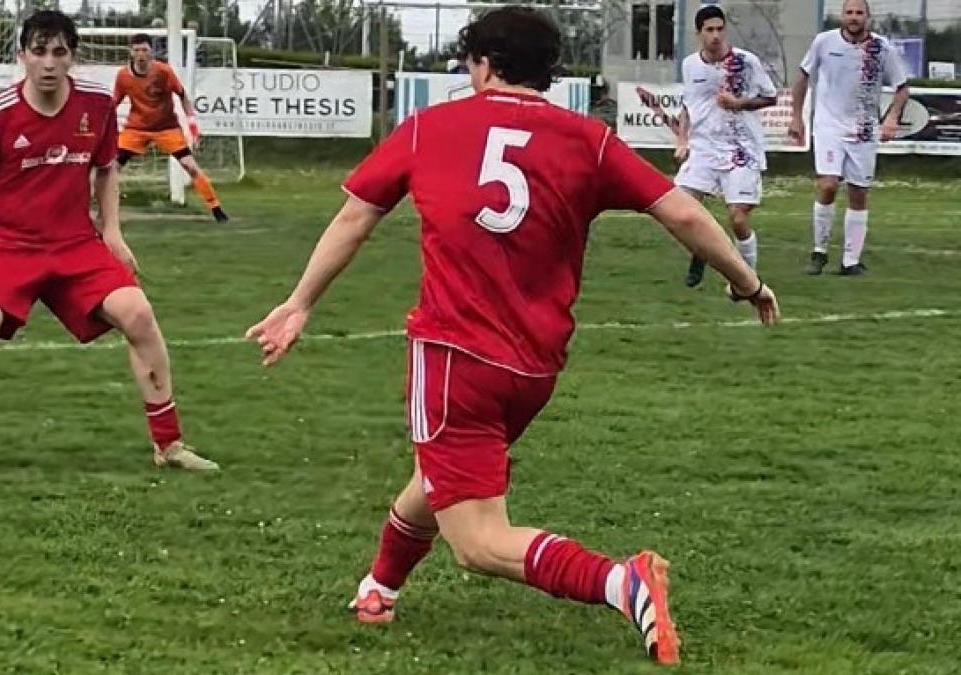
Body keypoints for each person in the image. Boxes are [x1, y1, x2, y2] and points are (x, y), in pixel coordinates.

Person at [245, 7, 780, 667]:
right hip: (533, 370)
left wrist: (299, 302)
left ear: (482, 64)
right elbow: (683, 212)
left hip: (455, 357)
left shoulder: (429, 129)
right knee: (435, 480)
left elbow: (357, 215)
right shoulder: (591, 140)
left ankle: (622, 580)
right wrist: (749, 283)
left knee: (475, 538)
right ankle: (380, 587)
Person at [0, 10, 218, 473]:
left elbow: (106, 169)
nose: (49, 62)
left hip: (74, 244)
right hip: (7, 244)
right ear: (21, 56)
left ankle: (169, 446)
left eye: (59, 52)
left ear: (73, 58)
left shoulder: (97, 106)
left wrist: (112, 233)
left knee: (138, 313)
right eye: (39, 52)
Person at [789, 0, 908, 276]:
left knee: (858, 193)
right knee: (829, 185)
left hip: (864, 130)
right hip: (829, 126)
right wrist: (796, 117)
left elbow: (902, 88)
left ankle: (850, 261)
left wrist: (891, 118)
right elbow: (802, 78)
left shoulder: (881, 48)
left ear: (868, 17)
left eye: (859, 13)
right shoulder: (824, 42)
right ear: (842, 16)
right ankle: (819, 252)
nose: (854, 18)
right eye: (849, 13)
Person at [675, 4, 777, 288]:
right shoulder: (690, 65)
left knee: (738, 219)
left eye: (720, 29)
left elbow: (771, 98)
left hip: (740, 149)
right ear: (699, 34)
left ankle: (746, 280)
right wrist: (683, 140)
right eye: (709, 30)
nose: (716, 35)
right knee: (681, 208)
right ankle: (701, 252)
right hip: (704, 148)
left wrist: (739, 104)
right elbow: (688, 104)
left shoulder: (746, 62)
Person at [112, 33, 228, 223]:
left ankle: (216, 209)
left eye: (145, 50)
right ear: (131, 53)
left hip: (167, 128)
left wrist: (192, 125)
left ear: (152, 52)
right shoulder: (123, 76)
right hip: (136, 129)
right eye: (137, 50)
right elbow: (114, 102)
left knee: (190, 166)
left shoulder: (163, 72)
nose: (141, 54)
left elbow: (183, 96)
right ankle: (105, 207)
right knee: (110, 167)